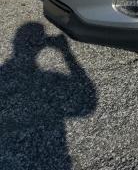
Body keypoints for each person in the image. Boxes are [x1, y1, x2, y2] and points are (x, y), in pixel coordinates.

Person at [0, 22, 97, 170]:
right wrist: (66, 52)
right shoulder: (52, 78)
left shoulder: (5, 74)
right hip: (56, 157)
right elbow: (88, 103)